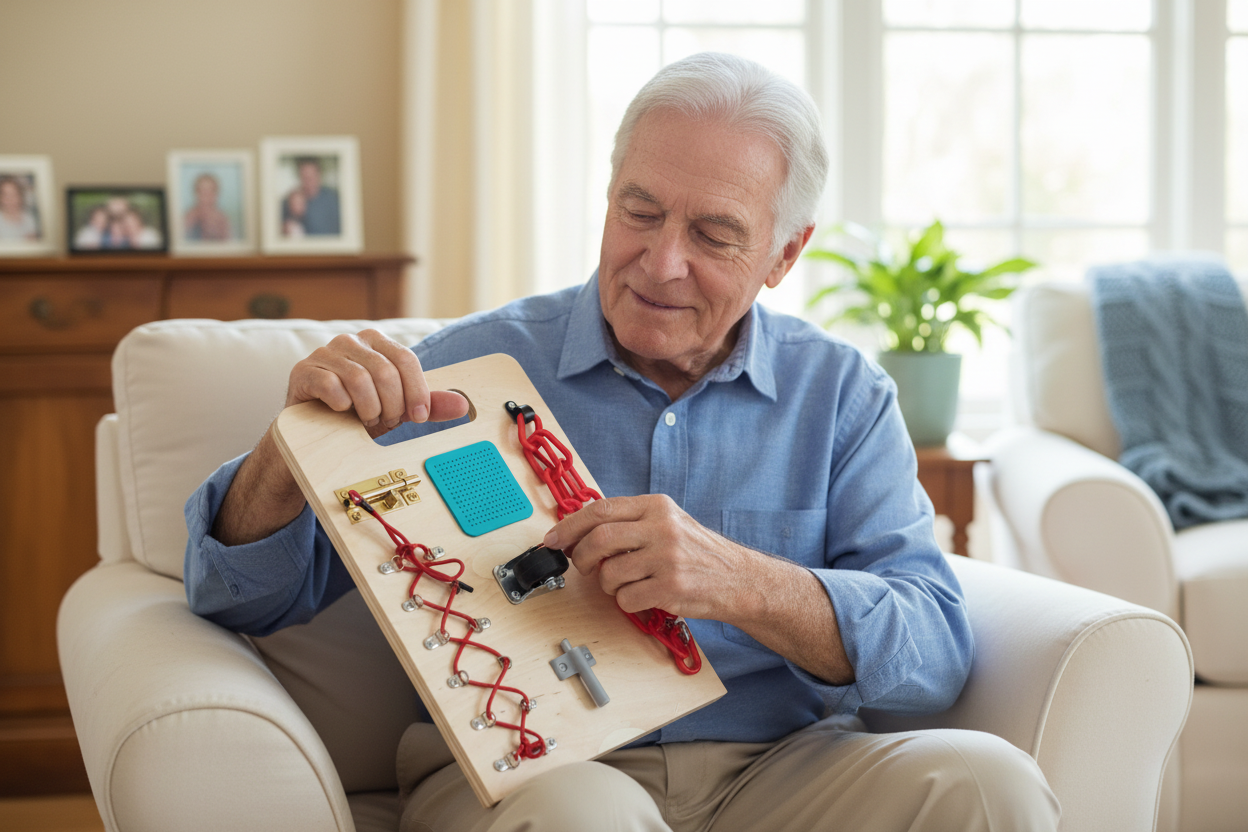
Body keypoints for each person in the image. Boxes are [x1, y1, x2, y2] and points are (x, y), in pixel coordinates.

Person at [185, 53, 1059, 832]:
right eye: (638, 211)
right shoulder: (461, 373)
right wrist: (283, 450)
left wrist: (744, 583)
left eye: (714, 235)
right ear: (608, 198)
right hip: (538, 773)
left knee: (990, 785)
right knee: (584, 817)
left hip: (783, 773)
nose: (660, 260)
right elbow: (241, 601)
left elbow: (934, 652)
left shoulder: (843, 396)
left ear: (784, 255)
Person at [280, 156, 340, 235]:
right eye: (305, 177)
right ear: (299, 177)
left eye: (312, 176)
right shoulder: (288, 201)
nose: (309, 181)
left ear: (319, 175)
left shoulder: (333, 199)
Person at [183, 172, 232, 241]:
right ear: (196, 194)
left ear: (216, 195)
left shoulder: (222, 220)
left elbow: (229, 243)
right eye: (203, 192)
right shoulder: (188, 217)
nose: (206, 197)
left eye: (210, 192)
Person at [0, 176, 39, 241]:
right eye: (5, 195)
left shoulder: (29, 218)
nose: (10, 199)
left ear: (21, 196)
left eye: (14, 194)